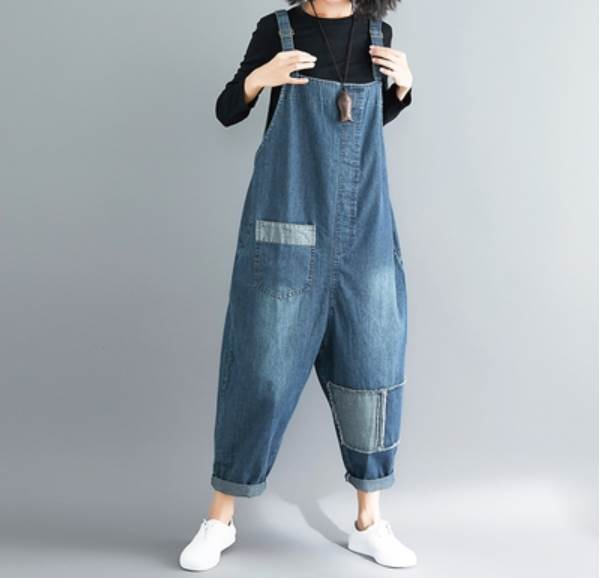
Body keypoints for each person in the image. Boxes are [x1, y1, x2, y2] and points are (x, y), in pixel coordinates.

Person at [180, 0, 416, 571]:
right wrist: (260, 78)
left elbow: (364, 125)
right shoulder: (279, 30)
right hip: (287, 230)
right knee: (260, 374)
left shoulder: (377, 34)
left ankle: (369, 523)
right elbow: (226, 111)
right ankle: (219, 520)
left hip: (365, 236)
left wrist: (403, 88)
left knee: (372, 371)